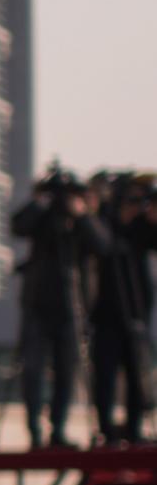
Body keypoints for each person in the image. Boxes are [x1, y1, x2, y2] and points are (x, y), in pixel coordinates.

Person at [10, 167, 104, 448]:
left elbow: (102, 244)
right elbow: (18, 226)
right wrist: (40, 202)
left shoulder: (78, 219)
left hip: (71, 305)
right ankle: (34, 431)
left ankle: (58, 429)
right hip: (37, 303)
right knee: (33, 369)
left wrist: (81, 213)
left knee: (66, 369)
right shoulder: (40, 215)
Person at [89, 172, 154, 445]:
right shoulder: (104, 223)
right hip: (106, 316)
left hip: (137, 315)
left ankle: (136, 428)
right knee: (105, 374)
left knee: (137, 374)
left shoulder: (142, 228)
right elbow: (98, 244)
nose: (134, 205)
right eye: (130, 200)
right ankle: (107, 427)